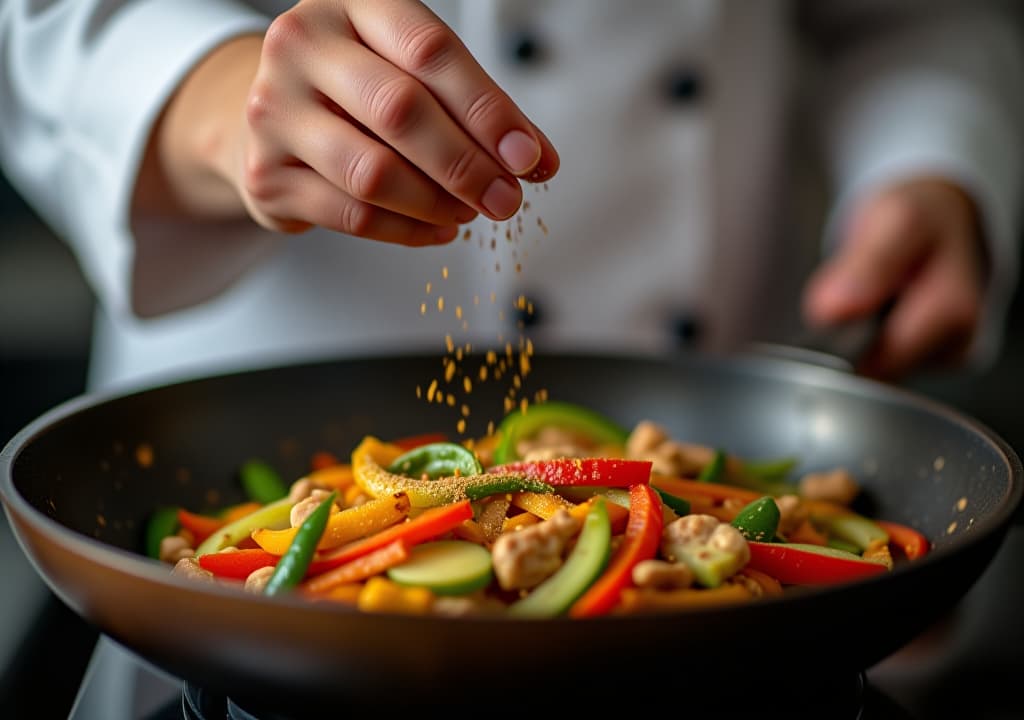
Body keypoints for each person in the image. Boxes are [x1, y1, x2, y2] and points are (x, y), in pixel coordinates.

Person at [1, 1, 1022, 717]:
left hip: (722, 365)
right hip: (257, 371)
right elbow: (42, 26)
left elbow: (905, 16)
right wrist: (220, 104)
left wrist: (930, 167)